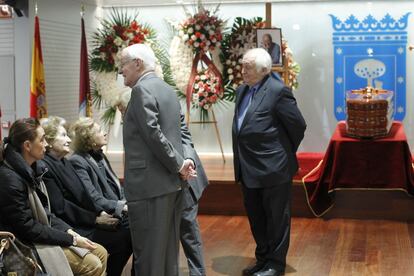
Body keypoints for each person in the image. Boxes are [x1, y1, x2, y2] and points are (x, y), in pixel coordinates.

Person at [119, 43, 196, 276]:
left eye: (123, 64)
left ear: (137, 63)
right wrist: (186, 160)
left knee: (149, 257)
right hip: (170, 184)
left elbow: (153, 135)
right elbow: (181, 130)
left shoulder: (142, 90)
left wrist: (179, 164)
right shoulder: (166, 89)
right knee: (166, 255)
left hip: (149, 188)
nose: (121, 70)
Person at [0, 118, 107, 276]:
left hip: (39, 234)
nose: (46, 144)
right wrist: (71, 240)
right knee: (92, 264)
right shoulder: (11, 178)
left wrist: (70, 232)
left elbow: (47, 214)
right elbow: (28, 228)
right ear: (28, 146)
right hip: (25, 244)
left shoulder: (33, 170)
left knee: (101, 252)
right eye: (42, 139)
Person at [232, 48, 306, 276]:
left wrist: (282, 152)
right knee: (256, 218)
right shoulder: (242, 91)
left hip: (273, 168)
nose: (242, 70)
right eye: (242, 65)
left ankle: (276, 264)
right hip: (248, 168)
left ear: (263, 70)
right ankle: (263, 258)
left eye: (247, 67)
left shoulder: (278, 91)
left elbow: (298, 126)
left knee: (276, 220)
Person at [40, 116, 133, 276]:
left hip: (84, 219)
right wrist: (95, 219)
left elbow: (85, 197)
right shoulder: (47, 167)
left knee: (128, 233)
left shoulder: (64, 162)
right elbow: (61, 207)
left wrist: (100, 213)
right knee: (122, 239)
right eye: (62, 136)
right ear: (48, 141)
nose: (68, 140)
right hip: (71, 226)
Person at [179, 113, 208, 276]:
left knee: (189, 230)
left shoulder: (167, 104)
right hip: (159, 184)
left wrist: (186, 162)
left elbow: (184, 137)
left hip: (184, 178)